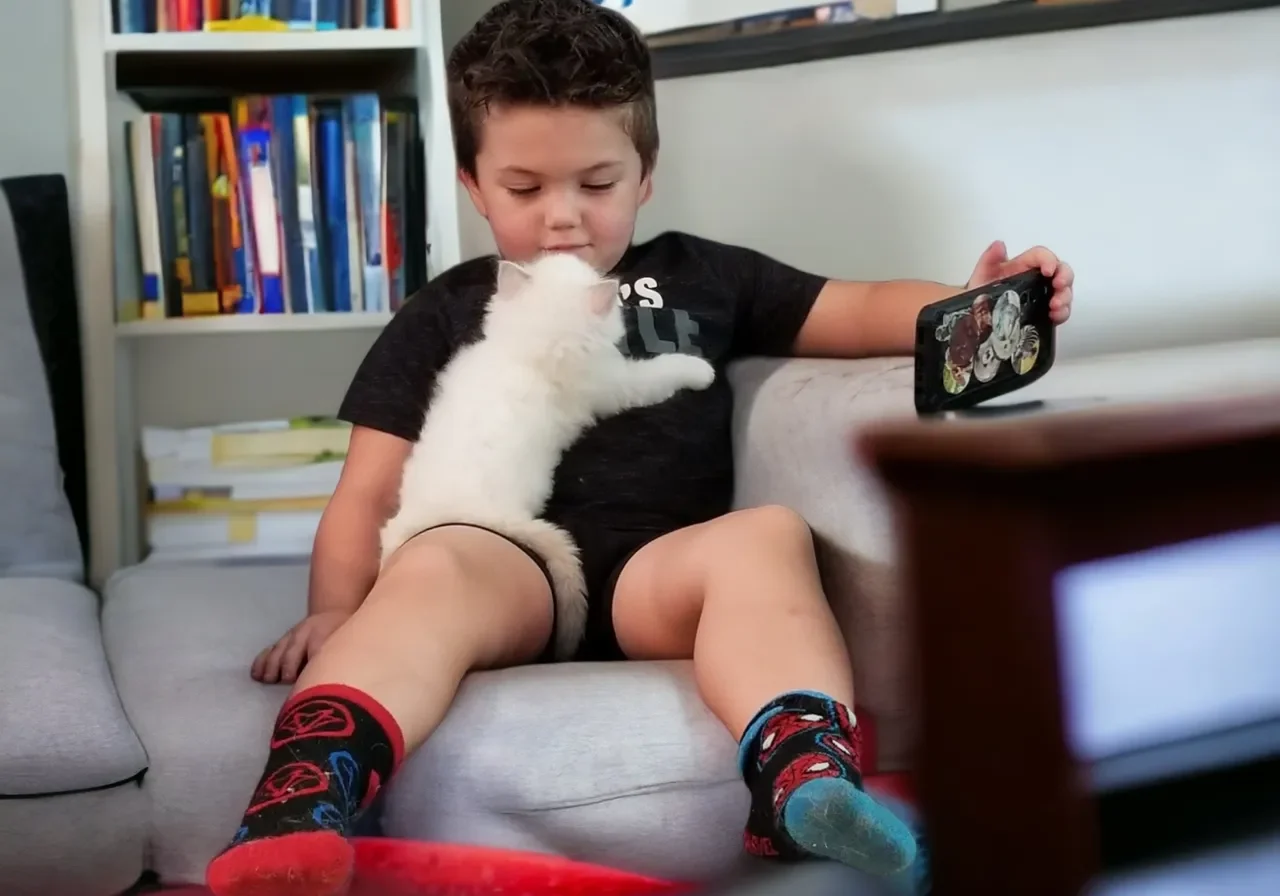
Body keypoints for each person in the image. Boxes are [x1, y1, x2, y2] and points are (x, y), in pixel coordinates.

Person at [205, 2, 1075, 894]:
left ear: (645, 173)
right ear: (472, 183)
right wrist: (332, 607)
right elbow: (369, 489)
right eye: (524, 188)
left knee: (766, 534)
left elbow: (853, 309)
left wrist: (973, 299)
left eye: (596, 182)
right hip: (513, 570)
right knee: (432, 563)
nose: (564, 219)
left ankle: (804, 780)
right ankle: (300, 803)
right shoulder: (448, 308)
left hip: (657, 581)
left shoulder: (705, 275)